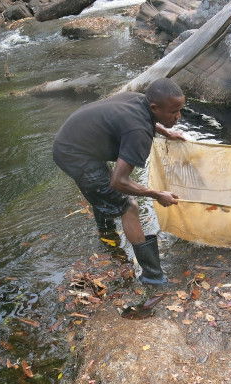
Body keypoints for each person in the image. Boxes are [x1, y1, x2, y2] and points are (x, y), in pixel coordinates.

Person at [53, 78, 186, 285]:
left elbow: (147, 120)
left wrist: (167, 132)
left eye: (180, 110)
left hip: (75, 142)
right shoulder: (139, 133)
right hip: (74, 155)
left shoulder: (140, 100)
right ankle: (153, 276)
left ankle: (106, 234)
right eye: (173, 112)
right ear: (154, 107)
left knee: (104, 190)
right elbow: (119, 182)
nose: (179, 116)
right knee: (128, 206)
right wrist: (157, 194)